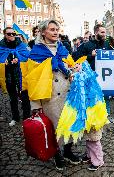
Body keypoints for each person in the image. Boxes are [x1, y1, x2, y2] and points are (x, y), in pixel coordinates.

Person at [26, 20, 80, 170]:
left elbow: (71, 66)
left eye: (57, 29)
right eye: (52, 29)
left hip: (68, 94)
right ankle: (57, 155)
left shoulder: (63, 49)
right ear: (43, 32)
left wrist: (76, 69)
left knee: (69, 124)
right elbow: (32, 80)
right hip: (50, 98)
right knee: (54, 128)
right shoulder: (36, 53)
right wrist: (35, 105)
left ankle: (68, 152)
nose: (56, 32)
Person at [77, 24, 114, 123]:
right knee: (92, 96)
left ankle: (106, 115)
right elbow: (78, 59)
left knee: (105, 96)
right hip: (91, 76)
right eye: (102, 32)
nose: (104, 34)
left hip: (104, 75)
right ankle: (92, 117)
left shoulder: (107, 45)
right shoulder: (87, 45)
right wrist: (91, 55)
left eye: (105, 32)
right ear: (96, 32)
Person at [0, 27, 31, 126]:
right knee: (12, 98)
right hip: (9, 76)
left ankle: (27, 118)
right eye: (9, 34)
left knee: (25, 97)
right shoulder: (1, 47)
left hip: (21, 75)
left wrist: (18, 59)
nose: (12, 36)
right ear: (4, 35)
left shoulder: (21, 45)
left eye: (13, 34)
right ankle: (15, 117)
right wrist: (5, 61)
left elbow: (27, 56)